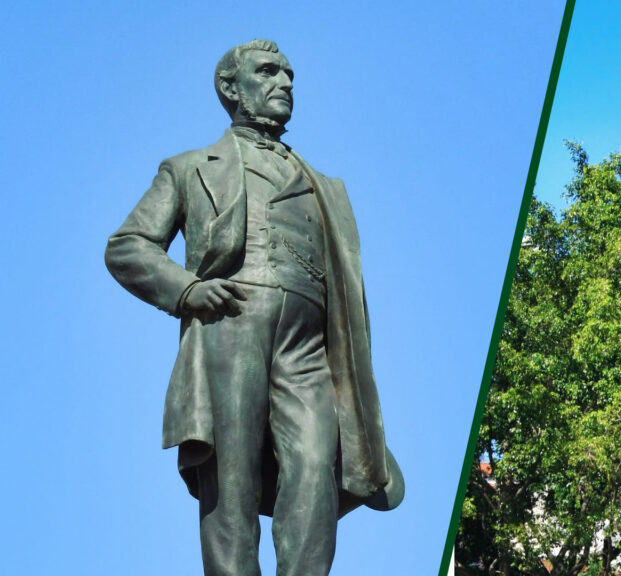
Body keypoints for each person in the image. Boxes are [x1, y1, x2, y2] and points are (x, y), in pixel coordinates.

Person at [105, 39, 403, 576]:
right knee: (232, 480)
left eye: (289, 75)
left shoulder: (327, 187)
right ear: (230, 88)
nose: (285, 83)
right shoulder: (190, 168)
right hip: (230, 324)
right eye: (268, 72)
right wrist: (188, 289)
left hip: (311, 346)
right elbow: (128, 246)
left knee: (316, 465)